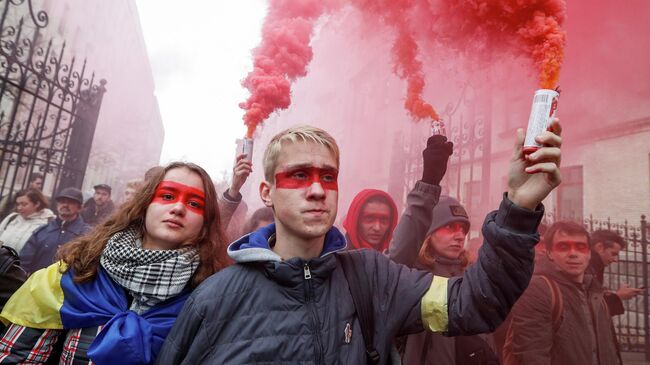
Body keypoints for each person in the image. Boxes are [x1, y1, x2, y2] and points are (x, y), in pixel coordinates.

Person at [156, 122, 562, 364]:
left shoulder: (373, 279)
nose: (317, 189)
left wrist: (518, 209)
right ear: (266, 191)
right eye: (298, 176)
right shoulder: (214, 298)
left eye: (328, 176)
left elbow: (475, 302)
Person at [0, 162, 230, 364]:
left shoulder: (211, 300)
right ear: (144, 205)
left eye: (194, 203)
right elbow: (17, 356)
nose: (178, 208)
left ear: (205, 222)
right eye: (168, 196)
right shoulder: (74, 272)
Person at [391, 196, 498, 364]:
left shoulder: (472, 276)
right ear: (429, 231)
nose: (460, 235)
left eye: (463, 229)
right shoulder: (412, 276)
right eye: (450, 227)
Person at [502, 221, 622, 365]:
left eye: (580, 247)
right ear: (550, 253)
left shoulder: (594, 291)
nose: (573, 254)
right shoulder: (538, 289)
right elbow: (532, 354)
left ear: (589, 253)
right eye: (563, 247)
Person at [19, 187, 90, 274]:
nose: (65, 205)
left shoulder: (87, 235)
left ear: (79, 207)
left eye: (71, 202)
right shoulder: (42, 231)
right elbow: (23, 263)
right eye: (62, 201)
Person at [589, 229, 644, 315]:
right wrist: (618, 296)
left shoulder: (595, 266)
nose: (615, 260)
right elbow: (589, 308)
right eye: (613, 254)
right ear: (600, 247)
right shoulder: (587, 267)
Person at [0, 189, 54, 253]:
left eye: (24, 204)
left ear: (37, 204)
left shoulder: (48, 223)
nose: (19, 208)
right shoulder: (12, 217)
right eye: (18, 204)